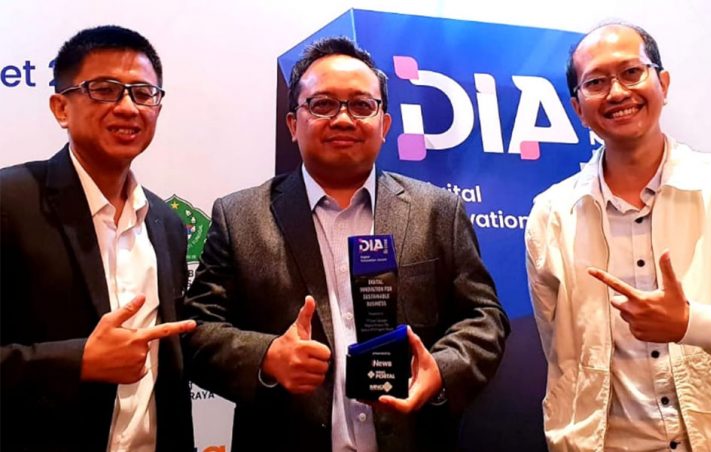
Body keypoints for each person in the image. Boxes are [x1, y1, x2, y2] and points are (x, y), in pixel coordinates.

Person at [183, 36, 509, 452]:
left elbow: (484, 317)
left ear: (384, 125)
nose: (342, 119)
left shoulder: (438, 211)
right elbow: (196, 331)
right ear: (292, 124)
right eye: (322, 104)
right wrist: (267, 356)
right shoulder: (240, 216)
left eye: (361, 105)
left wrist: (441, 370)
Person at [525, 22, 711, 451]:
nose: (617, 92)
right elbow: (562, 353)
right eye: (596, 82)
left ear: (663, 83)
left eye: (632, 72)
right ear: (578, 108)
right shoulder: (552, 215)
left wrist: (690, 323)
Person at [0, 25, 196, 452]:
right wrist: (79, 360)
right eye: (104, 90)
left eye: (143, 93)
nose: (128, 107)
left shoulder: (166, 223)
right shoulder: (9, 202)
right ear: (61, 107)